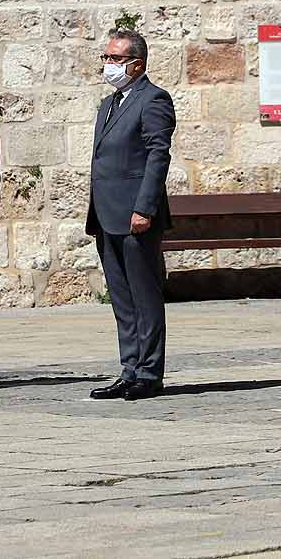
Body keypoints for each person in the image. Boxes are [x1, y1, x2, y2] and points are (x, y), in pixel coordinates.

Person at [87, 29, 176, 401]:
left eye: (115, 59)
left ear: (136, 64)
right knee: (121, 298)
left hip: (135, 214)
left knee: (144, 296)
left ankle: (149, 371)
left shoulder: (153, 99)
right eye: (106, 58)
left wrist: (144, 207)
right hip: (107, 214)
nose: (108, 65)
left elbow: (158, 154)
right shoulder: (109, 104)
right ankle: (130, 368)